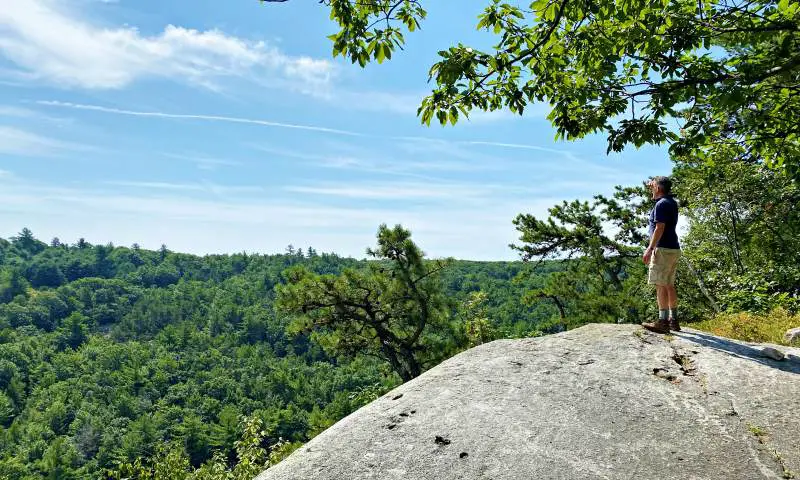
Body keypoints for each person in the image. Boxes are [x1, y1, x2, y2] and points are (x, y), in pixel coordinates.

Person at [641, 176, 681, 334]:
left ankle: (662, 321)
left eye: (653, 186)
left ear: (658, 188)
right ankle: (674, 320)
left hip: (662, 249)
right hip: (673, 248)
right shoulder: (671, 202)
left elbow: (659, 227)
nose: (651, 188)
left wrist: (650, 248)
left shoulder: (661, 204)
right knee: (669, 285)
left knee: (660, 284)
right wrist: (652, 185)